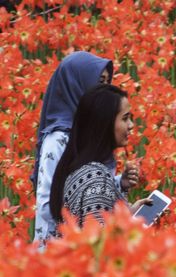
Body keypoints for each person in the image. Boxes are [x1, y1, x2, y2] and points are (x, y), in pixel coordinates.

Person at [33, 51, 140, 243]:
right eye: (100, 81)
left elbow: (85, 188)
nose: (105, 89)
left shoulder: (89, 133)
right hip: (59, 248)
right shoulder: (58, 139)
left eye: (108, 81)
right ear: (75, 84)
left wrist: (117, 184)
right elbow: (49, 203)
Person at [49, 84, 150, 232]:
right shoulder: (96, 177)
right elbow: (100, 243)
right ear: (105, 123)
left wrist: (129, 214)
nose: (131, 125)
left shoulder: (78, 167)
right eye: (125, 118)